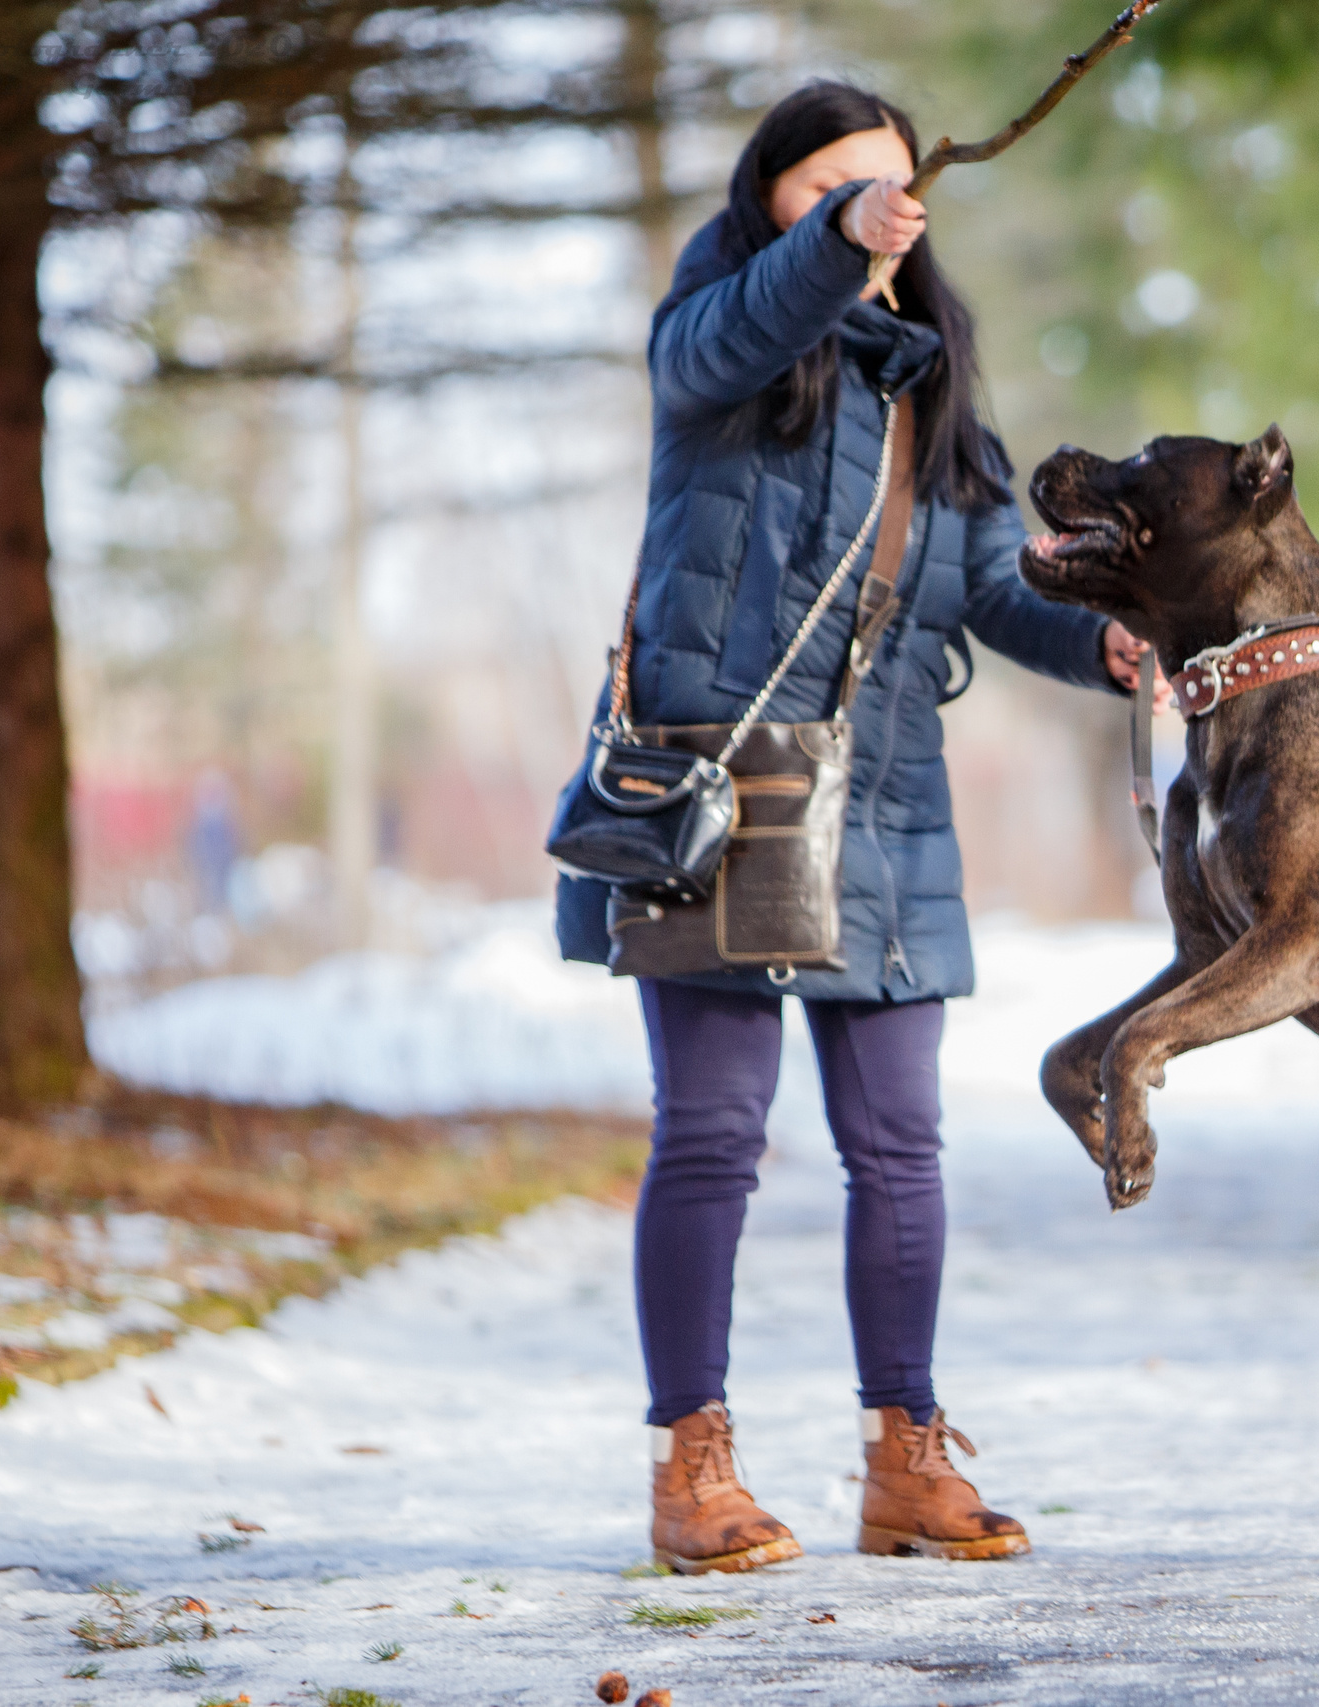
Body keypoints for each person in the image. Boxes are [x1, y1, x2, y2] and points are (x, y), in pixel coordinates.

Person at [553, 81, 1157, 1573]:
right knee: (712, 1138)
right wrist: (833, 244)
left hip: (883, 808)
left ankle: (907, 1459)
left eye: (886, 184)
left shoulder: (935, 385)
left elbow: (991, 590)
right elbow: (747, 323)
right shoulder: (716, 342)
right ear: (773, 204)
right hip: (726, 788)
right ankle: (691, 1469)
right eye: (824, 186)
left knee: (902, 1149)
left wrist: (1111, 644)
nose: (869, 205)